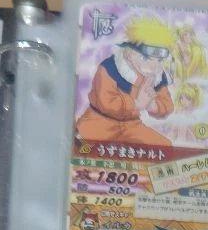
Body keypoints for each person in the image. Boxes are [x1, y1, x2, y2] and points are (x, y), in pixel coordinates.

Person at [75, 15, 176, 146]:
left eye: (159, 60)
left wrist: (152, 105)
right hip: (98, 121)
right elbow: (105, 102)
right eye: (145, 58)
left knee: (164, 146)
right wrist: (136, 104)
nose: (153, 66)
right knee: (81, 147)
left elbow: (167, 105)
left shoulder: (157, 77)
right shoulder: (110, 68)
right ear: (129, 53)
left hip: (131, 125)